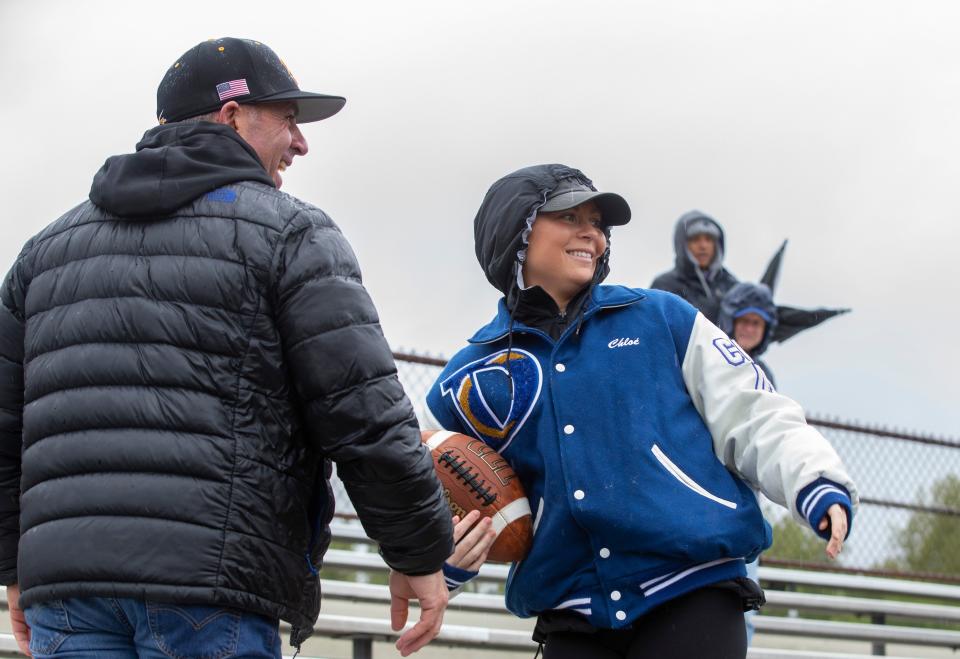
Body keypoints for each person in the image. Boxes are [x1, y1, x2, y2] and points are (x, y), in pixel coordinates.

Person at [0, 37, 453, 659]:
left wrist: (17, 568)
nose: (301, 143)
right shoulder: (292, 233)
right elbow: (363, 413)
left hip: (66, 589)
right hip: (212, 584)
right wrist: (419, 551)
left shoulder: (44, 251)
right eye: (289, 120)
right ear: (234, 115)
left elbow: (3, 426)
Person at [423, 164, 857, 659]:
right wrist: (440, 563)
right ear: (513, 232)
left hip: (693, 591)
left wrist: (814, 480)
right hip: (570, 610)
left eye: (597, 223)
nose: (593, 234)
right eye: (569, 216)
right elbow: (433, 497)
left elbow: (754, 411)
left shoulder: (661, 317)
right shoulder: (465, 379)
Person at [650, 210, 738, 323]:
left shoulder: (732, 287)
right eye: (695, 239)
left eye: (709, 239)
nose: (703, 246)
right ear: (682, 244)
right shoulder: (664, 286)